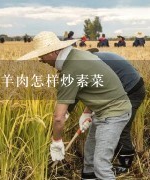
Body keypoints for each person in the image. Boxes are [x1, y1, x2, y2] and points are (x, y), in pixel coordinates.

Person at [17, 31, 132, 179]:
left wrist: (56, 142)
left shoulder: (70, 70)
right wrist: (87, 111)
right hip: (103, 111)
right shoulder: (79, 56)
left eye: (42, 55)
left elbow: (58, 117)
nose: (41, 60)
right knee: (89, 158)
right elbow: (97, 88)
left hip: (114, 114)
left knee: (101, 165)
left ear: (53, 52)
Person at [67, 51, 145, 175]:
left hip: (131, 90)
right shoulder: (93, 61)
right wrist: (87, 112)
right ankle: (99, 163)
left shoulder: (92, 64)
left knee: (121, 125)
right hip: (126, 87)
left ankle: (125, 164)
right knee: (103, 127)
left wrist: (64, 114)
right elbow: (98, 92)